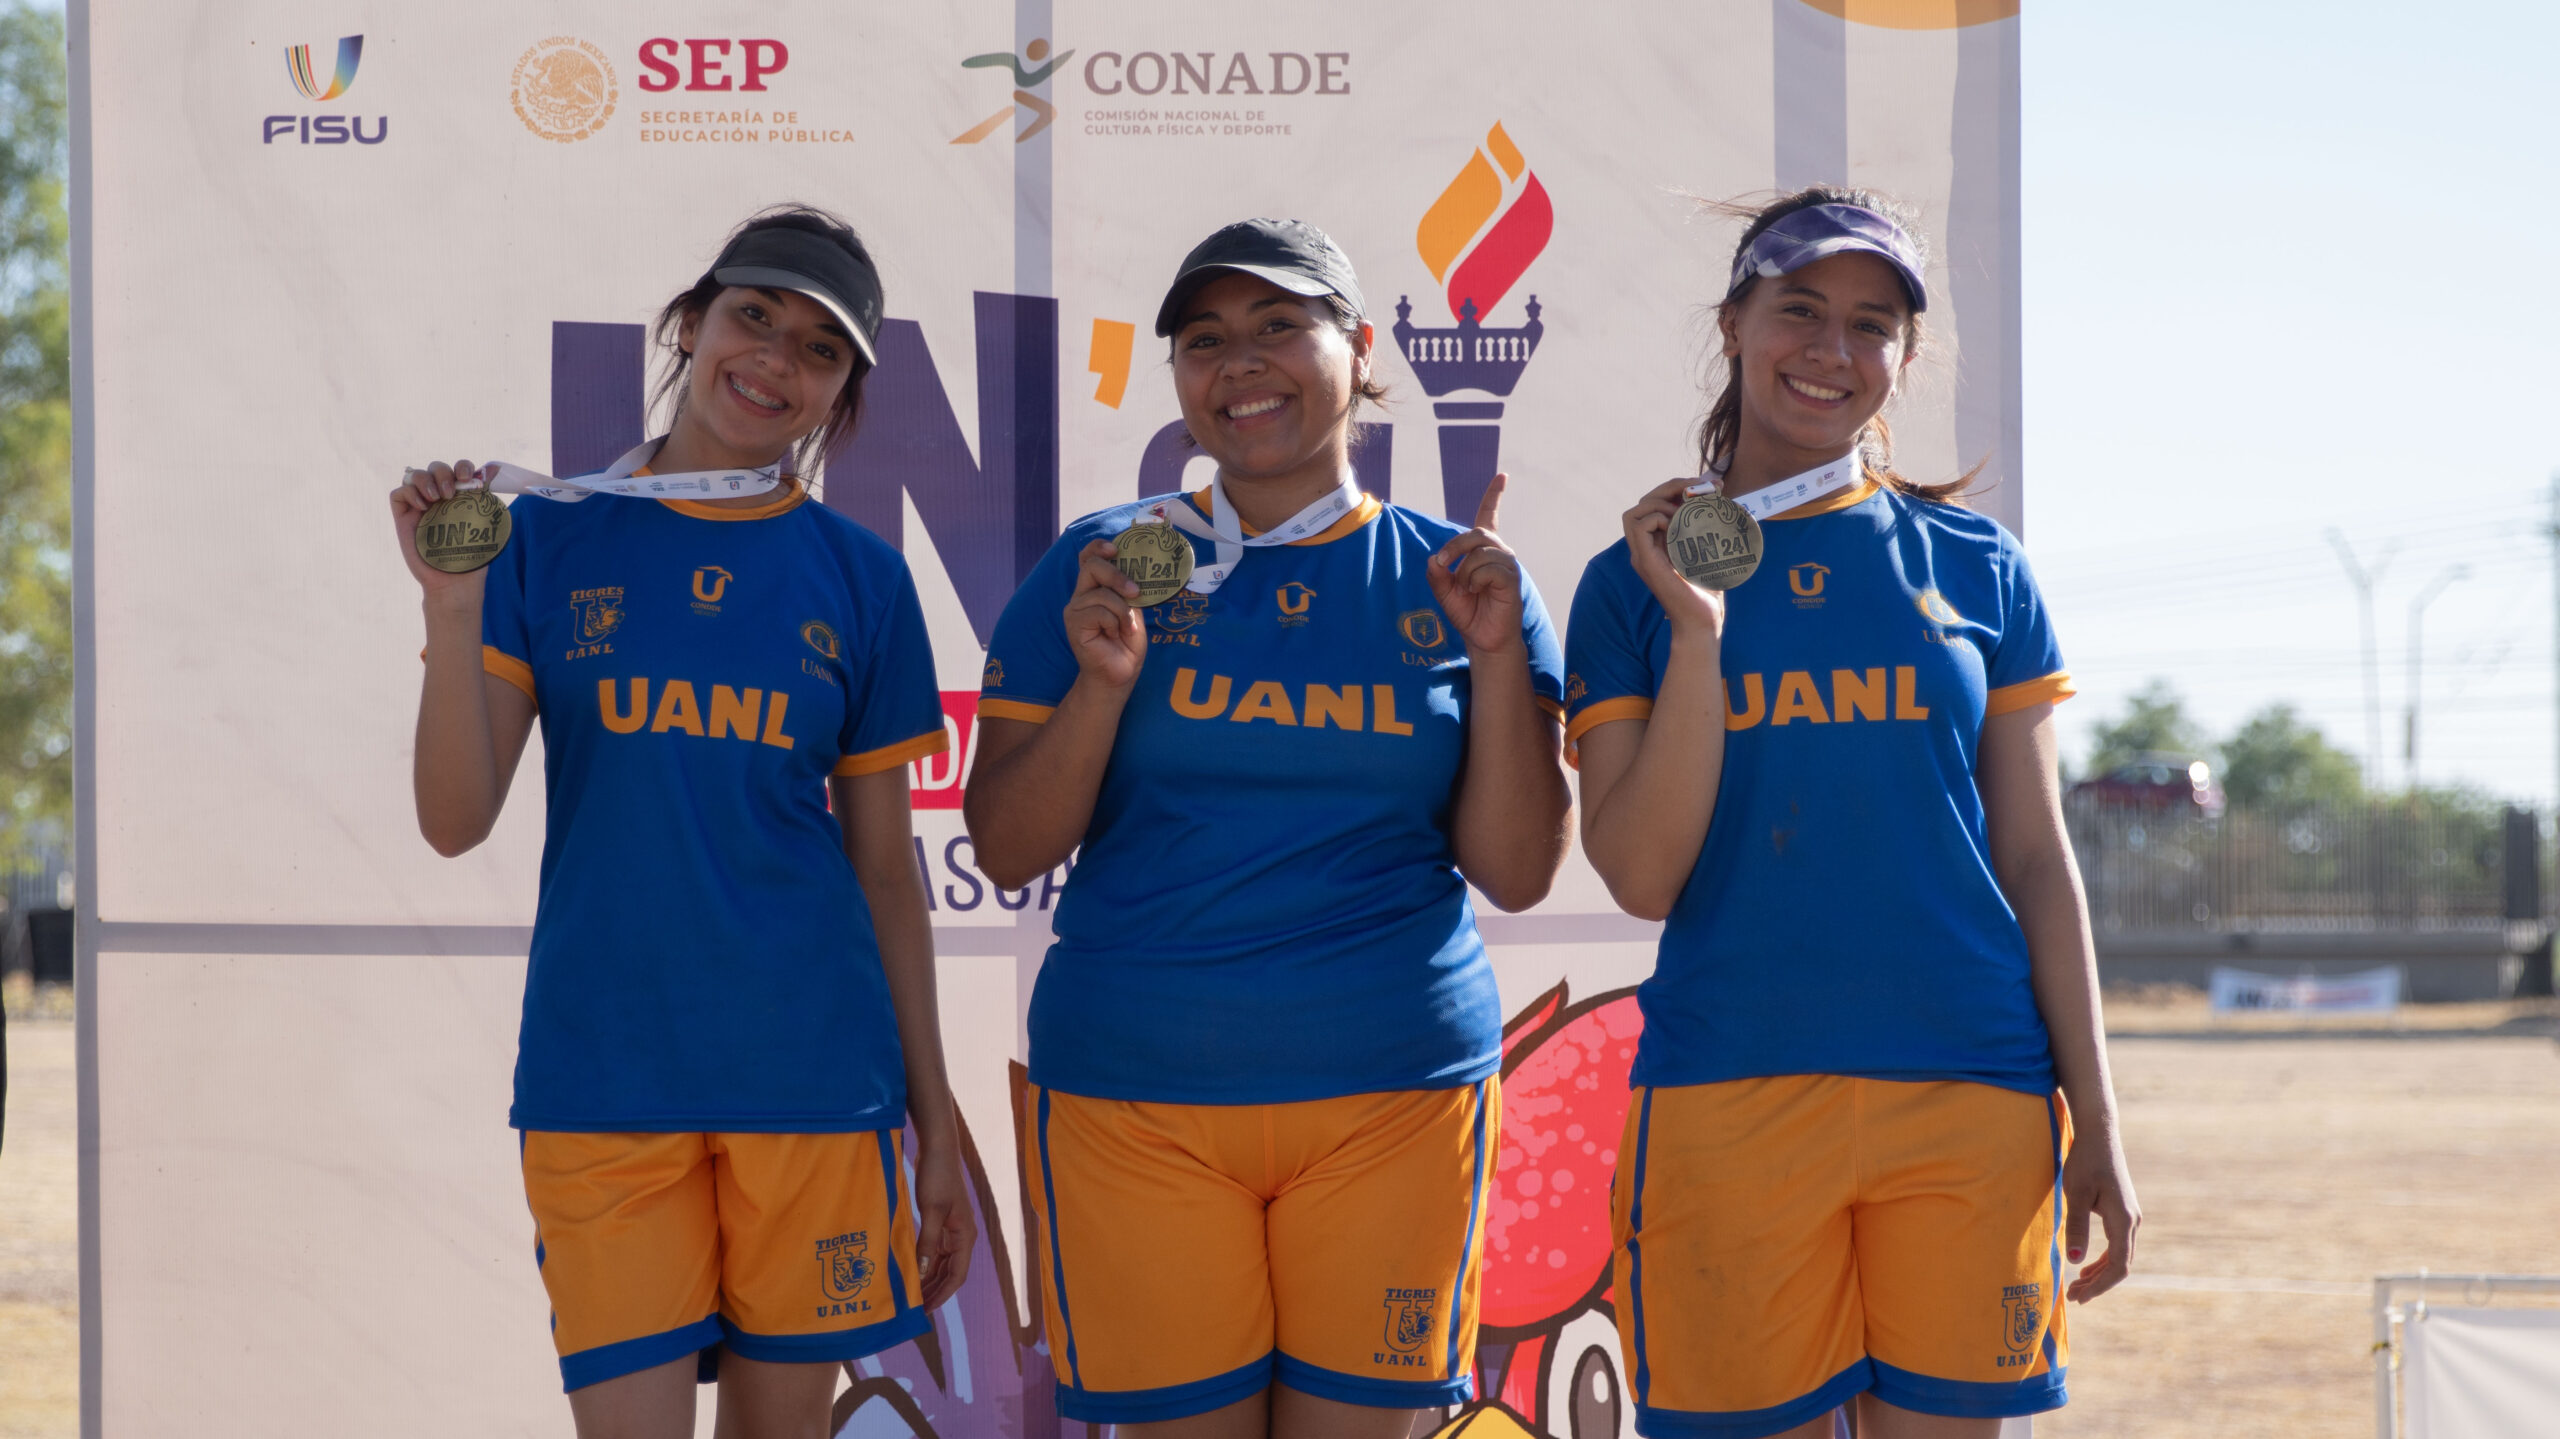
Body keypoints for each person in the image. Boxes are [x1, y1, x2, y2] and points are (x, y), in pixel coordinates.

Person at [963, 218, 1570, 1438]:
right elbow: (1010, 846)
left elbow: (1514, 871)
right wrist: (1102, 685)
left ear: (1356, 348)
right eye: (1205, 340)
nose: (1240, 363)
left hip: (1393, 1097)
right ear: (1180, 379)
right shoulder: (1102, 564)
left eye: (1278, 326)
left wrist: (1497, 657)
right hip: (1137, 1100)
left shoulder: (1459, 578)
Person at [387, 205, 975, 1439]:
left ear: (842, 396)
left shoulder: (862, 577)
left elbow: (883, 875)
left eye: (820, 348)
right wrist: (452, 608)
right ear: (689, 325)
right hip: (603, 1073)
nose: (774, 357)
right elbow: (454, 820)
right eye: (752, 315)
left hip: (815, 1084)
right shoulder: (542, 534)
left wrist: (934, 1122)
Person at [1566, 187, 2139, 1439]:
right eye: (1799, 310)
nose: (1830, 351)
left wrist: (2095, 1116)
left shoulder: (1977, 565)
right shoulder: (1629, 584)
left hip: (1972, 1089)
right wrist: (1700, 636)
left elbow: (2038, 860)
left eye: (1869, 324)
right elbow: (1642, 874)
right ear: (1733, 323)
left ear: (1907, 355)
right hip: (1728, 1091)